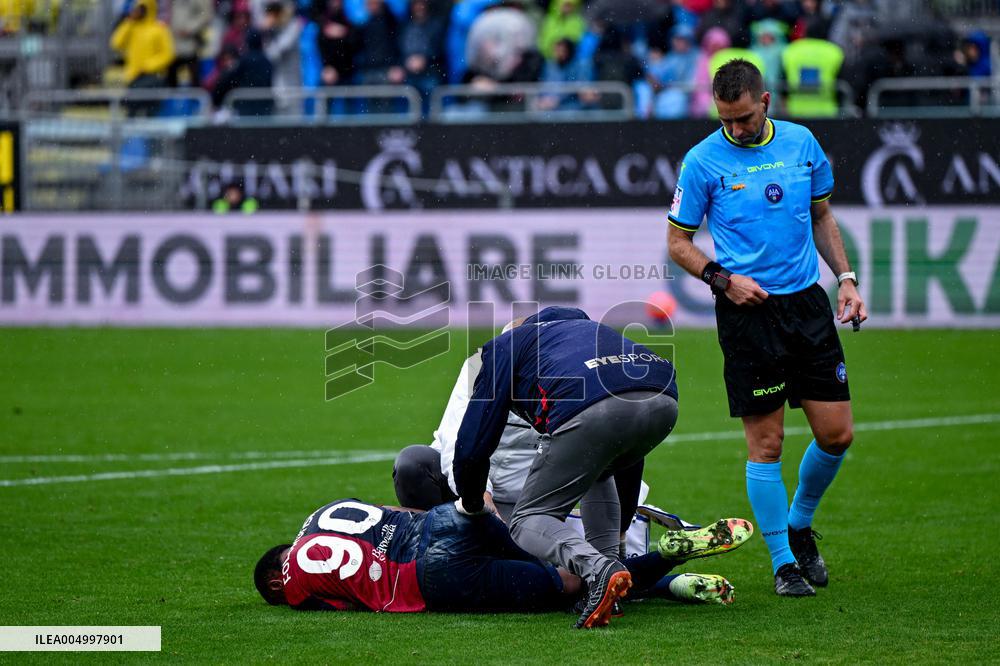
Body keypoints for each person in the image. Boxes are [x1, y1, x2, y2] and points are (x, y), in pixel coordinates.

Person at [666, 59, 865, 597]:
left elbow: (822, 215)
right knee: (767, 443)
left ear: (766, 103)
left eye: (745, 119)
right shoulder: (702, 161)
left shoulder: (802, 143)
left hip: (807, 307)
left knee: (837, 434)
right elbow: (678, 242)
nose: (736, 129)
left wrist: (845, 279)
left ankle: (799, 523)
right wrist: (722, 279)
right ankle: (783, 562)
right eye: (727, 120)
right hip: (747, 315)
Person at [450, 306, 681, 628]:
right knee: (601, 471)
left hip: (595, 411)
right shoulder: (597, 335)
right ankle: (607, 584)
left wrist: (472, 501)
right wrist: (623, 523)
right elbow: (626, 460)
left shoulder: (509, 343)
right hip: (666, 398)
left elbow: (475, 439)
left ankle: (600, 571)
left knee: (528, 519)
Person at [254, 497, 743, 614]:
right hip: (446, 520)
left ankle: (667, 558)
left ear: (277, 578)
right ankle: (665, 583)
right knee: (560, 563)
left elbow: (347, 603)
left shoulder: (294, 584)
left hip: (431, 575)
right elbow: (390, 509)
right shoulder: (325, 511)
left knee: (570, 587)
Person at [110, 0, 176, 115]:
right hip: (133, 77)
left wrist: (149, 65)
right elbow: (115, 43)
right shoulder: (132, 28)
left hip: (153, 76)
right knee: (132, 110)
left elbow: (168, 54)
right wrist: (130, 21)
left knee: (149, 109)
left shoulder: (159, 29)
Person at [167, 0, 212, 87]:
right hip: (174, 45)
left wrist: (190, 29)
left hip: (191, 45)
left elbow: (205, 15)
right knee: (172, 78)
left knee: (195, 77)